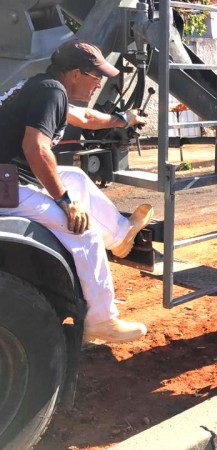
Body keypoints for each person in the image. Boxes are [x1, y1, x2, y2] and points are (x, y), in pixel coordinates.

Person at [0, 40, 153, 343]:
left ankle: (122, 236)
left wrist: (125, 118)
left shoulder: (41, 86)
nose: (99, 84)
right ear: (74, 74)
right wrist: (66, 203)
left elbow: (84, 118)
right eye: (95, 76)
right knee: (83, 230)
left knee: (77, 178)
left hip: (10, 179)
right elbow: (36, 147)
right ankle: (101, 321)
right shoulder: (51, 92)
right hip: (8, 186)